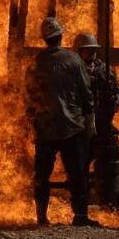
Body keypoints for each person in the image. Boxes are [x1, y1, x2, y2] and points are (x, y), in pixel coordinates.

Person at [28, 16, 97, 226]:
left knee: (42, 174)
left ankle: (41, 217)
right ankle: (80, 216)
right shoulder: (74, 60)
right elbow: (86, 92)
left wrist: (34, 121)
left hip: (46, 128)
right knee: (76, 173)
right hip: (72, 127)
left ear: (44, 39)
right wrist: (88, 115)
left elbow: (29, 96)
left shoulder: (36, 63)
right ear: (61, 36)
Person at [74, 32, 119, 206]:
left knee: (116, 164)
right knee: (80, 165)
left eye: (94, 50)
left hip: (103, 124)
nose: (92, 54)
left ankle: (116, 201)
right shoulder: (74, 71)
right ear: (80, 51)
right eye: (88, 50)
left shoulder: (104, 70)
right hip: (82, 126)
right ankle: (81, 204)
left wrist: (116, 104)